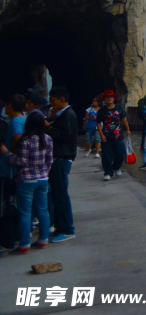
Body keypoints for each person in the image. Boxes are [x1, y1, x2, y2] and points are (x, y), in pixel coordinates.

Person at [0, 112, 53, 253]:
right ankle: (43, 240)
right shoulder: (47, 139)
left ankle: (24, 245)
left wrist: (6, 152)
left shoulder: (26, 141)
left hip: (26, 181)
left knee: (25, 213)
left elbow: (20, 162)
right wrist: (44, 172)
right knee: (43, 211)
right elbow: (49, 160)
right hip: (43, 179)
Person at [45, 86, 76, 243]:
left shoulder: (68, 115)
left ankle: (68, 229)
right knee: (56, 194)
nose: (51, 104)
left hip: (62, 158)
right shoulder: (62, 114)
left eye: (53, 100)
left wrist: (48, 127)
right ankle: (59, 227)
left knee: (61, 194)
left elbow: (64, 136)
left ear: (62, 100)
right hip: (58, 158)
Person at [0, 95, 26, 249]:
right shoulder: (23, 119)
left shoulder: (16, 121)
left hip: (8, 170)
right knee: (14, 204)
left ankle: (7, 239)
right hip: (14, 170)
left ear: (10, 105)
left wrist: (10, 153)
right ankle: (16, 235)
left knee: (6, 205)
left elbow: (17, 137)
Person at [97, 90, 129, 181]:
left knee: (121, 153)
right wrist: (101, 135)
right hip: (106, 136)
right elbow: (98, 123)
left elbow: (124, 119)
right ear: (104, 99)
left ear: (114, 98)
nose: (109, 98)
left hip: (118, 136)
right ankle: (107, 173)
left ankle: (116, 167)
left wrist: (128, 129)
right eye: (107, 97)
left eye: (111, 96)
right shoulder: (101, 111)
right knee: (106, 155)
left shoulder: (119, 108)